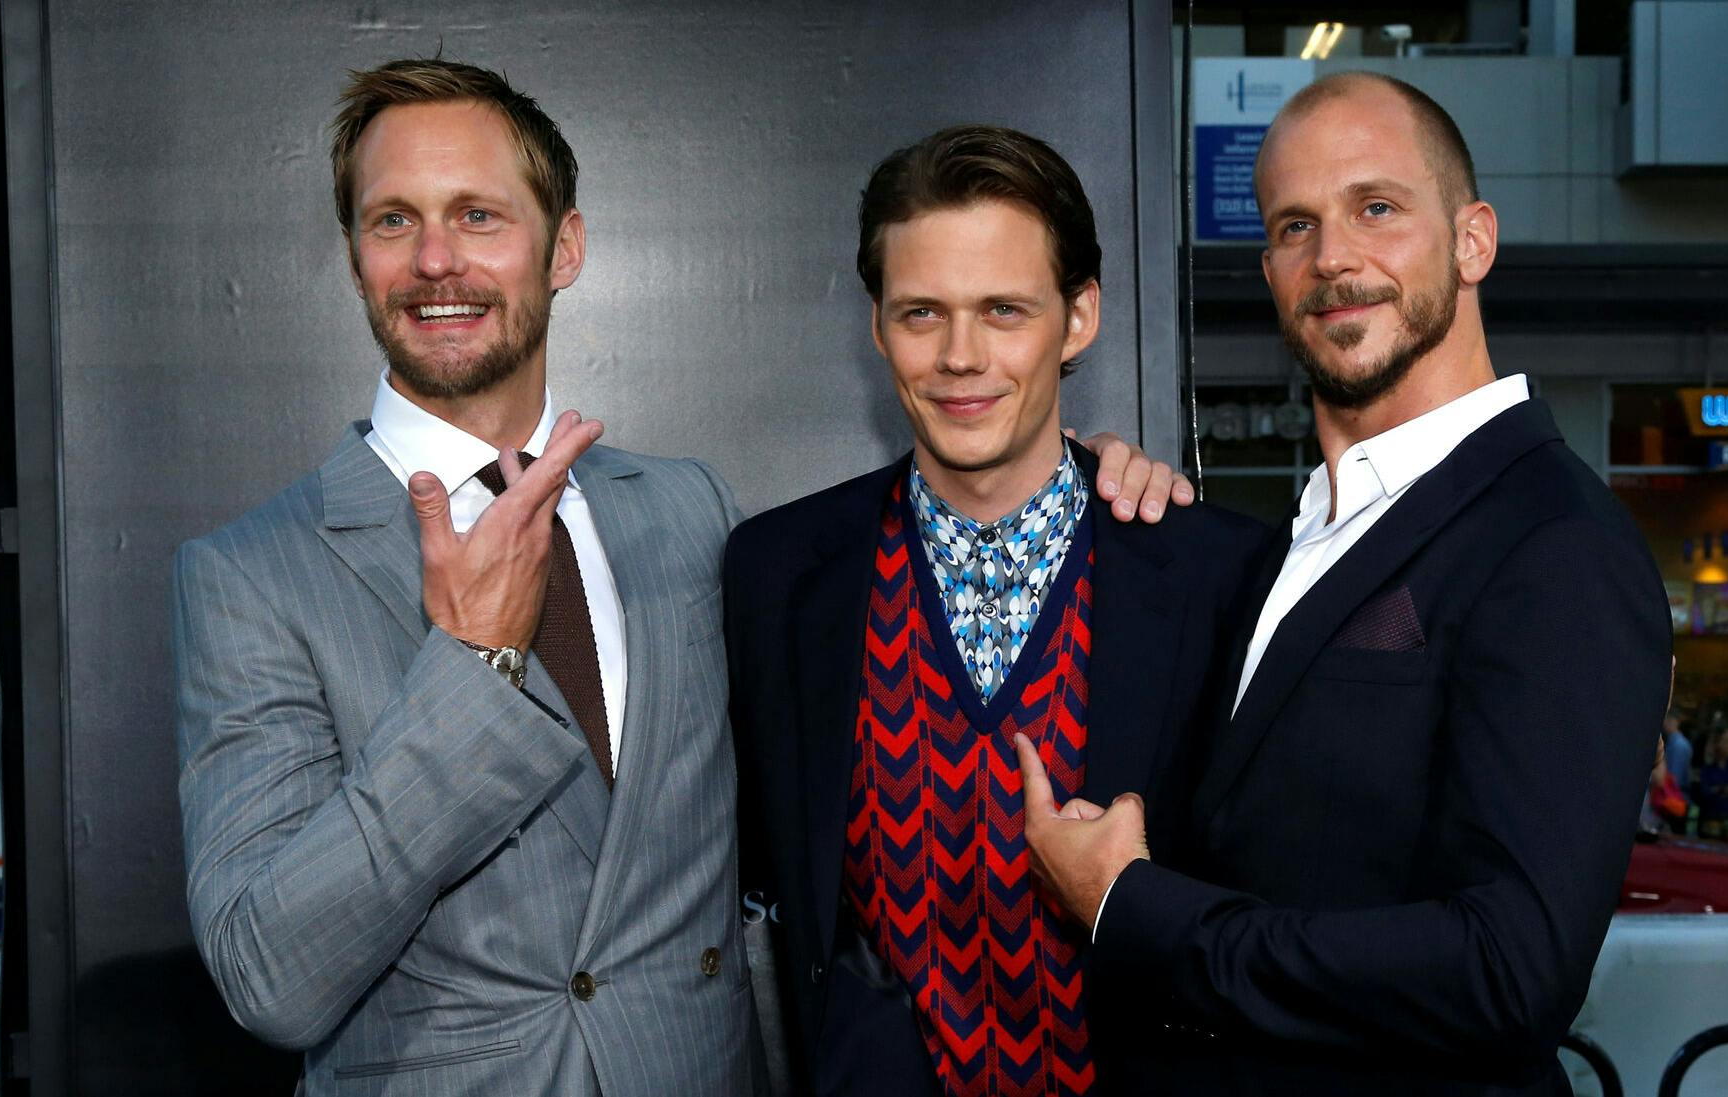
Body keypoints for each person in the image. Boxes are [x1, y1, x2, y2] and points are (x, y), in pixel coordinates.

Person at [172, 59, 1181, 1096]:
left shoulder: (690, 514)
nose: (436, 259)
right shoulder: (253, 575)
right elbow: (267, 976)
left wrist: (1073, 476)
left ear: (564, 246)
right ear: (353, 256)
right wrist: (473, 669)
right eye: (392, 222)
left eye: (479, 215)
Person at [1017, 72, 1671, 1096]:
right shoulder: (1283, 543)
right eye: (1292, 226)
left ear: (1472, 240)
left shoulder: (1553, 540)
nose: (1333, 257)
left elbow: (1509, 972)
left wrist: (1132, 907)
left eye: (1377, 207)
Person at [726, 125, 1268, 1097]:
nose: (960, 356)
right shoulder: (778, 574)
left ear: (1079, 316)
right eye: (922, 312)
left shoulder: (1217, 575)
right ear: (878, 325)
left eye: (1004, 310)